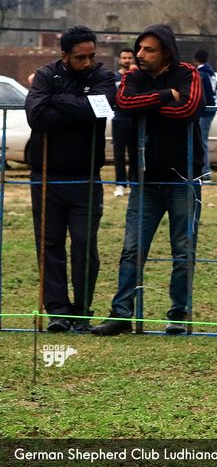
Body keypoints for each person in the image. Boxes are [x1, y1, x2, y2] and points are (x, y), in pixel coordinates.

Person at [91, 24, 205, 336]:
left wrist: (148, 106)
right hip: (145, 180)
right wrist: (165, 96)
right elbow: (124, 102)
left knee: (183, 251)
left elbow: (189, 108)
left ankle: (179, 314)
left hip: (184, 178)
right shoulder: (134, 75)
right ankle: (121, 313)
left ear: (166, 52)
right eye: (139, 48)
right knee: (132, 249)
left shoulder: (188, 73)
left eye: (148, 50)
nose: (140, 55)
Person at [25, 26, 116, 332]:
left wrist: (56, 100)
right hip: (46, 175)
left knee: (84, 243)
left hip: (85, 177)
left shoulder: (102, 75)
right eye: (80, 58)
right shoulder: (45, 75)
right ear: (64, 55)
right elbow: (37, 117)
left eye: (92, 56)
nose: (87, 63)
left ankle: (82, 309)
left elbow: (101, 110)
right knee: (49, 244)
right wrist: (80, 105)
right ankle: (58, 311)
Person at [112, 47, 137, 197]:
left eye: (129, 58)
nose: (127, 60)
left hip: (134, 119)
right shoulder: (114, 78)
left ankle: (133, 182)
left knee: (135, 152)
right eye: (124, 58)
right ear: (120, 60)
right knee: (119, 153)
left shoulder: (138, 76)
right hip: (119, 119)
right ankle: (120, 184)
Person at [194, 49, 217, 176]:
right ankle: (204, 170)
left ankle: (206, 171)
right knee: (203, 140)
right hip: (210, 109)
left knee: (202, 141)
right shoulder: (210, 71)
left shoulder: (201, 73)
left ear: (196, 59)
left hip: (204, 111)